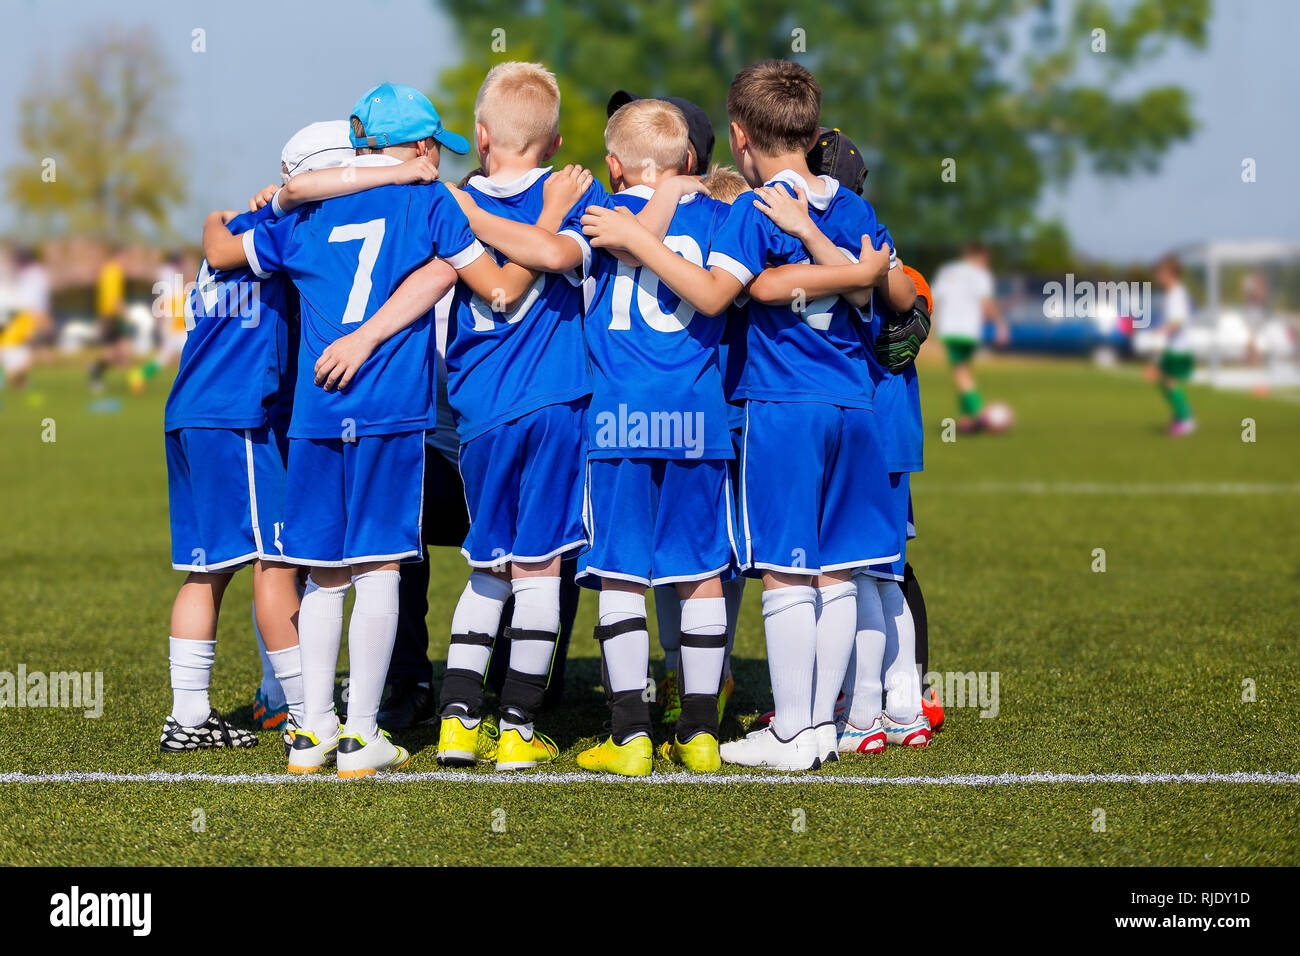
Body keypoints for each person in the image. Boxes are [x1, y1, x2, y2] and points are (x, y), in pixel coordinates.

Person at [201, 83, 548, 777]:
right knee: (382, 567)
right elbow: (501, 290)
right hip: (391, 410)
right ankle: (362, 734)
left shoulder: (308, 212)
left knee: (325, 576)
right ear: (421, 148)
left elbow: (223, 251)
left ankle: (313, 732)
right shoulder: (431, 201)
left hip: (316, 414)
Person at [581, 60, 913, 770]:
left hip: (784, 405)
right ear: (816, 131)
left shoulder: (749, 210)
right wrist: (853, 272)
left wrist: (645, 230)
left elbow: (719, 293)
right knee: (841, 574)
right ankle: (831, 724)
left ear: (738, 134)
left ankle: (793, 729)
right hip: (853, 403)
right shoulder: (853, 209)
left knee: (789, 575)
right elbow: (892, 290)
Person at [426, 62, 692, 771]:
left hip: (476, 410)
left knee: (486, 564)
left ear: (479, 135)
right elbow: (552, 254)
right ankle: (516, 727)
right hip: (555, 404)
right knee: (540, 568)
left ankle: (457, 722)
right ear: (552, 142)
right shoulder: (570, 197)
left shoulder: (446, 203)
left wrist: (460, 206)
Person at [157, 122, 357, 755]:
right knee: (278, 564)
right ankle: (306, 712)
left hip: (188, 413)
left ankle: (189, 716)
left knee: (204, 571)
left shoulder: (237, 225)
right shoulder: (285, 230)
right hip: (234, 416)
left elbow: (217, 243)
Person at [570, 98, 732, 776]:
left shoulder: (598, 214)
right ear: (691, 159)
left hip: (619, 417)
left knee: (621, 572)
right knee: (698, 573)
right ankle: (699, 733)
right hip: (697, 413)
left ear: (614, 163)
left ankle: (630, 734)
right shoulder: (724, 215)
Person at [931, 241, 1008, 432]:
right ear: (980, 256)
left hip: (950, 329)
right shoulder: (980, 274)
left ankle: (972, 416)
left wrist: (930, 325)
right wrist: (1000, 326)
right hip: (969, 330)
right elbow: (987, 303)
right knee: (963, 372)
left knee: (961, 372)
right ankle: (974, 415)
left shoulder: (948, 271)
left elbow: (933, 297)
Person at [1150, 254, 1196, 435]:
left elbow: (1178, 322)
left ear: (1170, 274)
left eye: (1160, 273)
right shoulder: (1172, 294)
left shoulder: (1177, 294)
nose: (1158, 277)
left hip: (1179, 348)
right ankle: (1183, 412)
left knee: (1170, 382)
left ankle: (1186, 419)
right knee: (1163, 379)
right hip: (1173, 347)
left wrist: (1161, 331)